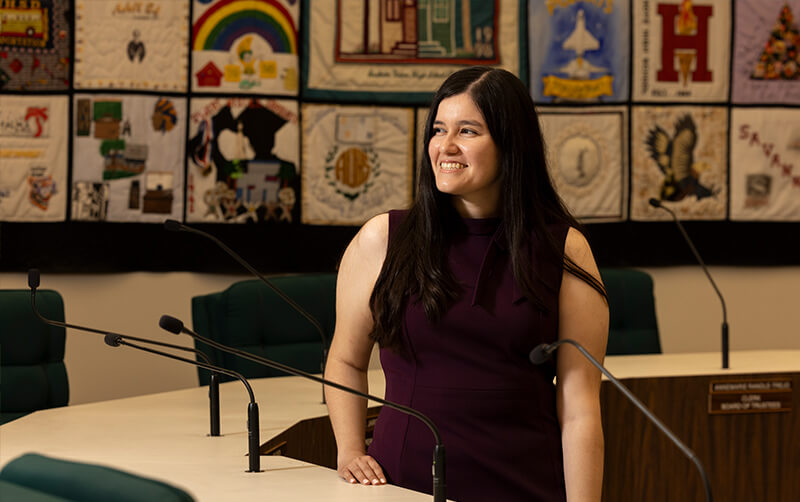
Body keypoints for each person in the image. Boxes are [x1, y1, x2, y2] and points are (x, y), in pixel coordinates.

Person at [325, 66, 609, 502]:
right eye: (438, 130)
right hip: (404, 485)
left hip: (526, 483)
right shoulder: (381, 239)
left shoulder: (565, 251)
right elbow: (345, 361)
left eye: (468, 131)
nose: (445, 146)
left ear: (511, 144)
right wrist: (348, 450)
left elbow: (580, 407)